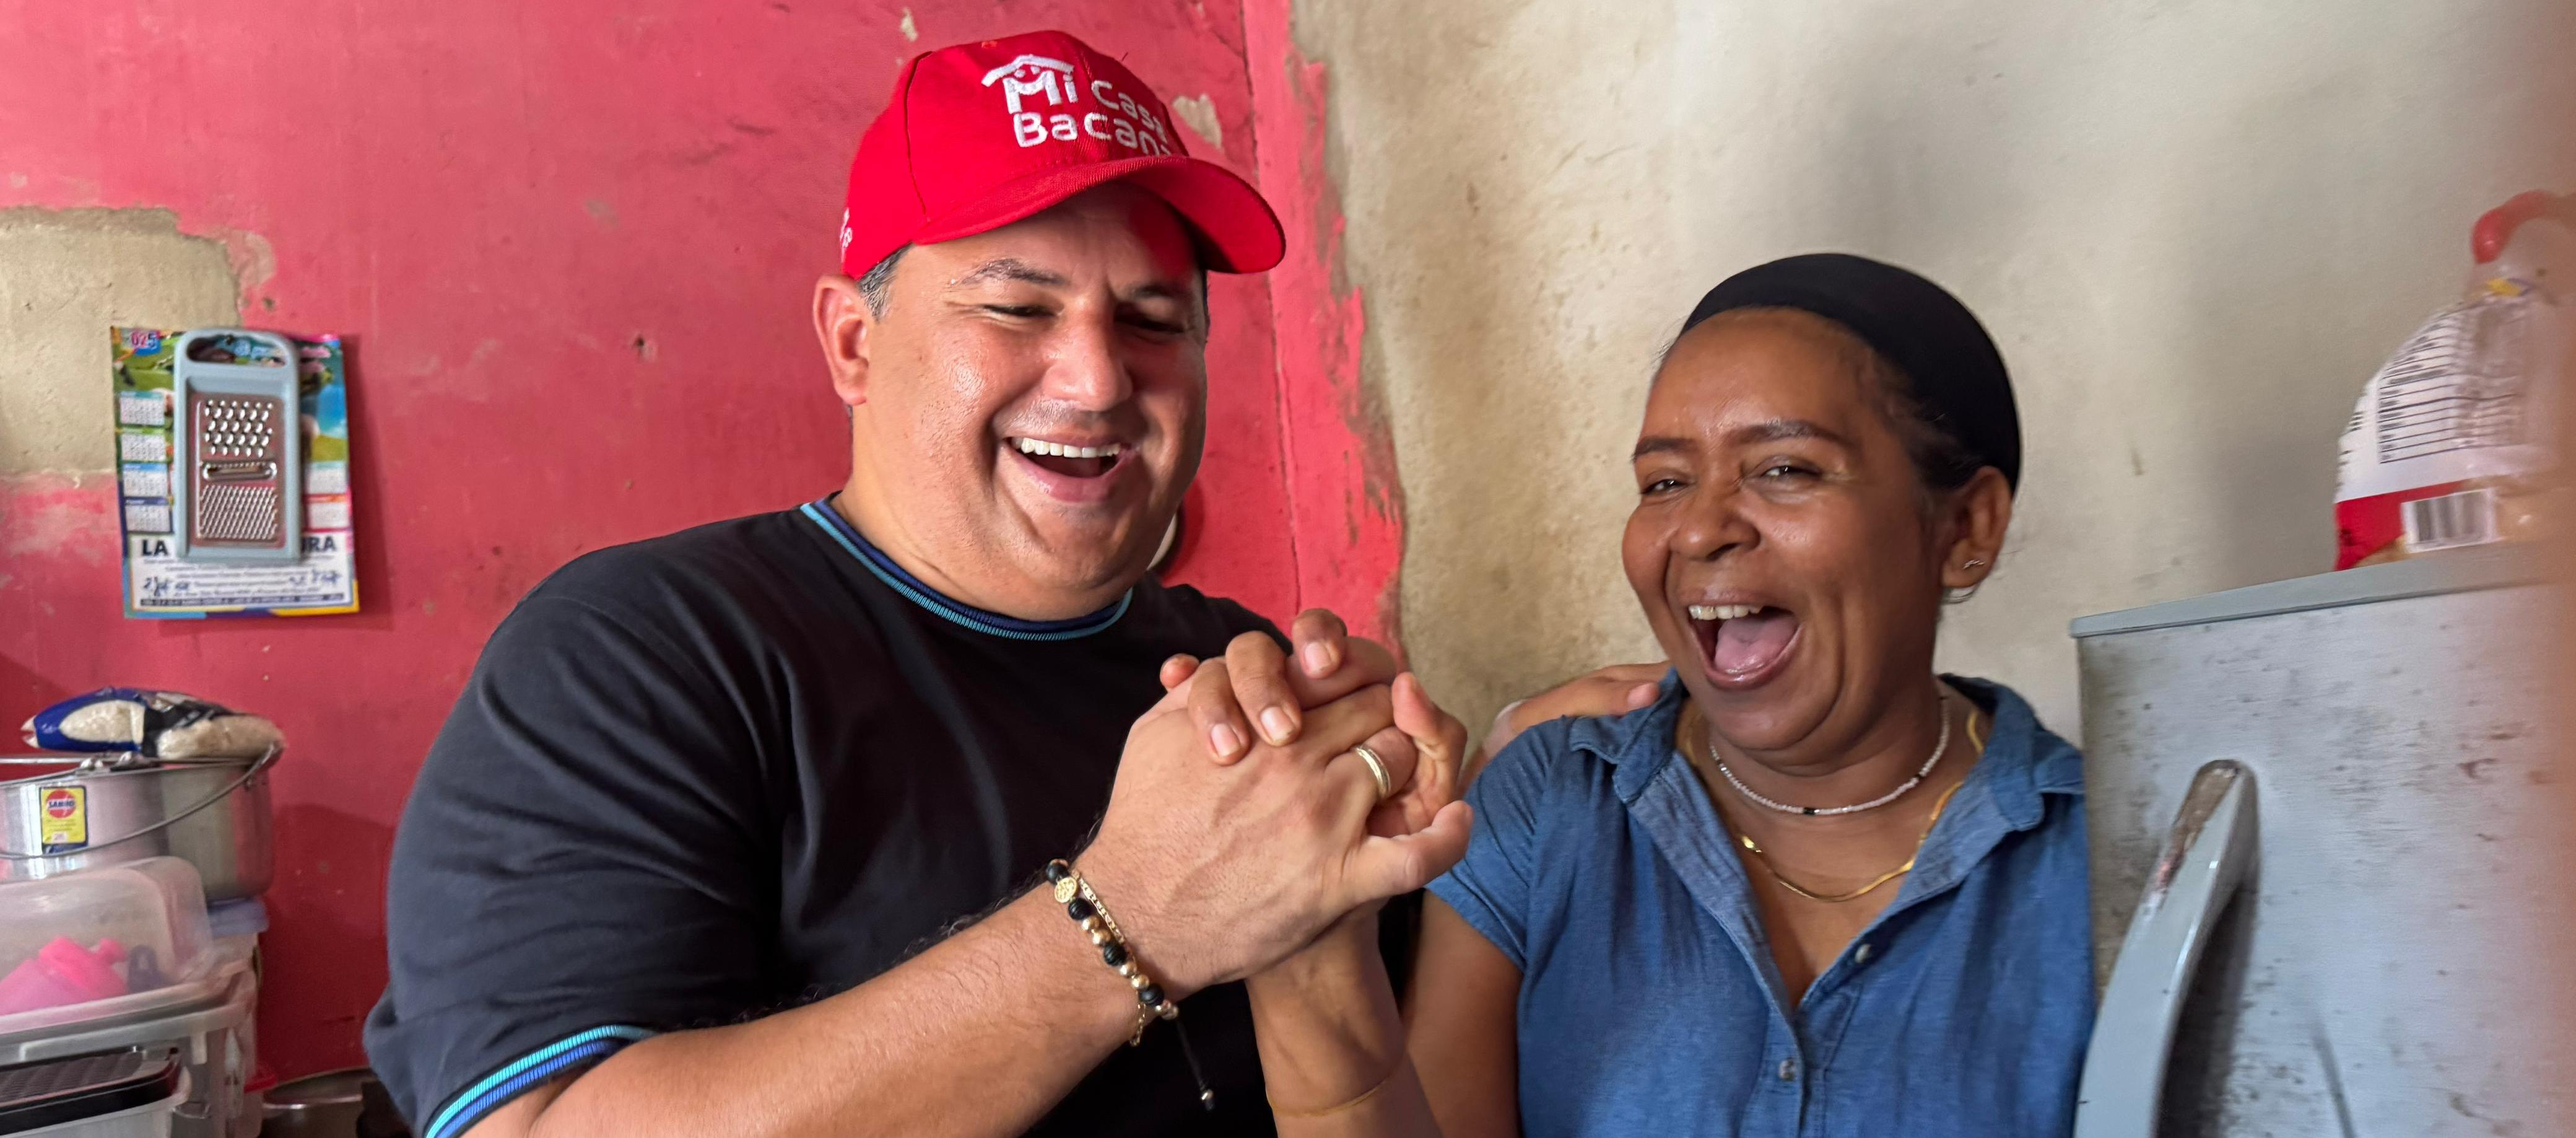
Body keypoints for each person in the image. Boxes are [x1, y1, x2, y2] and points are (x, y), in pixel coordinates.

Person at [363, 30, 1625, 1138]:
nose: (1095, 379)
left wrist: (1466, 818)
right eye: (1017, 309)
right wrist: (1131, 919)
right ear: (855, 343)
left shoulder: (1241, 682)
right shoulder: (644, 654)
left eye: (1149, 319)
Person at [1209, 254, 2094, 1136]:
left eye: (1786, 468)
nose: (1701, 527)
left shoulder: (2110, 864)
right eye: (1665, 482)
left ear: (1965, 527)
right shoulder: (1548, 803)